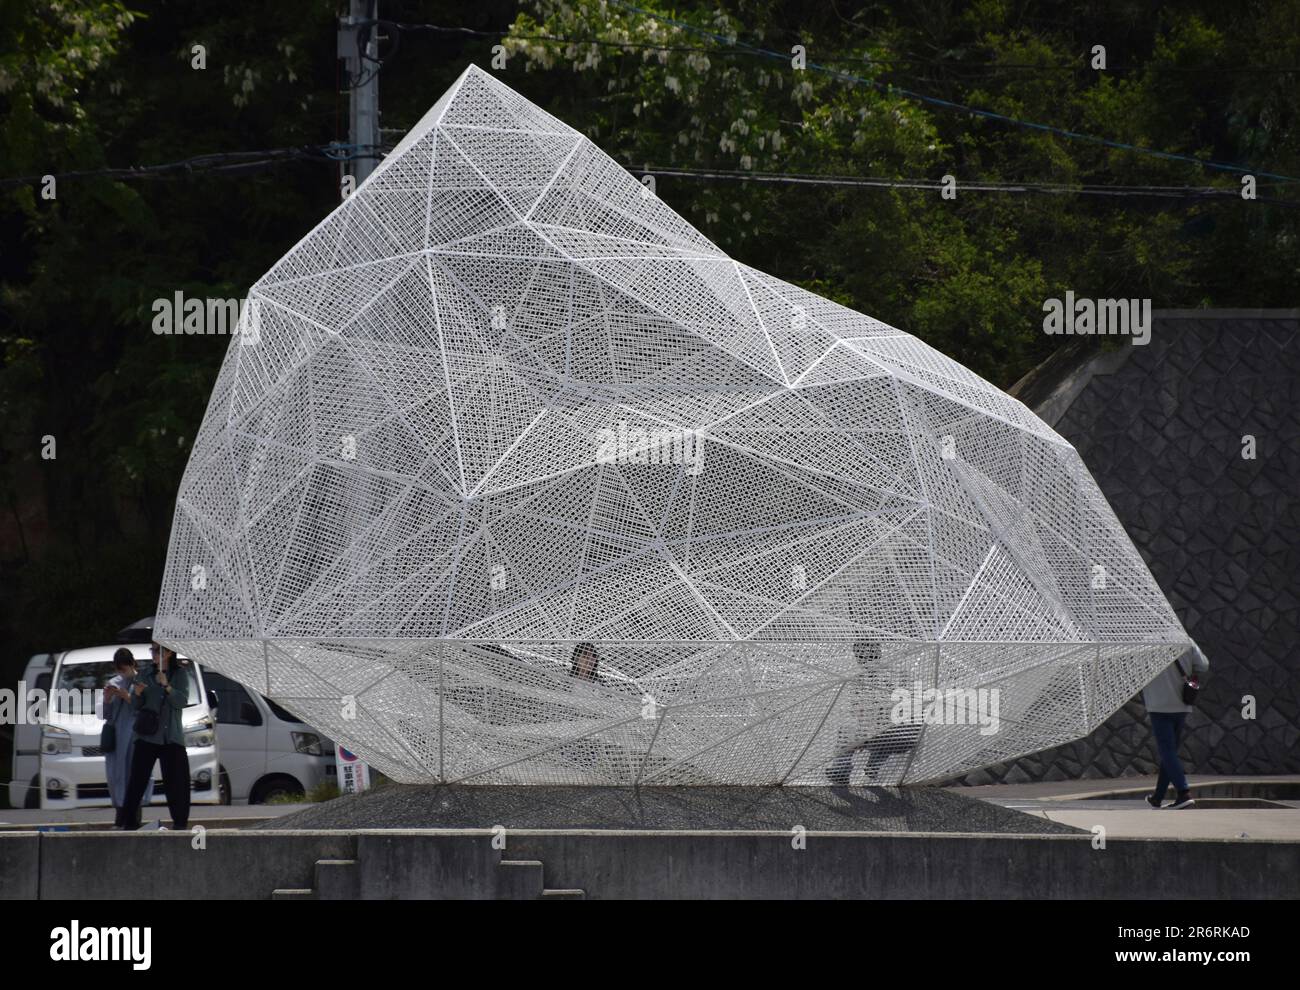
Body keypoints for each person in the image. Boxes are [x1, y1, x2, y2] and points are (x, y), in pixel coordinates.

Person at [117, 642, 192, 830]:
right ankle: (128, 822)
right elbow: (136, 705)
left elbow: (181, 702)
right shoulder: (144, 674)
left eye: (158, 651)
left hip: (171, 736)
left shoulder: (180, 674)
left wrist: (166, 686)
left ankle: (180, 823)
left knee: (177, 782)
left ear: (168, 653)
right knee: (137, 780)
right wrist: (138, 695)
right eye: (153, 650)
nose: (154, 654)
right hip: (147, 735)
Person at [1142, 643, 1210, 810]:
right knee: (1169, 752)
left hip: (1158, 705)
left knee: (1167, 751)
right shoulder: (1186, 641)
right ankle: (1158, 797)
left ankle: (1183, 792)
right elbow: (1203, 666)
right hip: (1181, 703)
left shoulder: (1145, 644)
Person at [100, 648, 153, 819]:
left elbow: (146, 708)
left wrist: (127, 696)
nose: (121, 673)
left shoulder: (142, 681)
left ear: (132, 665)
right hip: (117, 735)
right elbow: (105, 715)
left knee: (135, 774)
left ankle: (135, 813)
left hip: (136, 735)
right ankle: (120, 812)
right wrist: (108, 699)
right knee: (116, 775)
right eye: (118, 669)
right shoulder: (114, 682)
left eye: (124, 669)